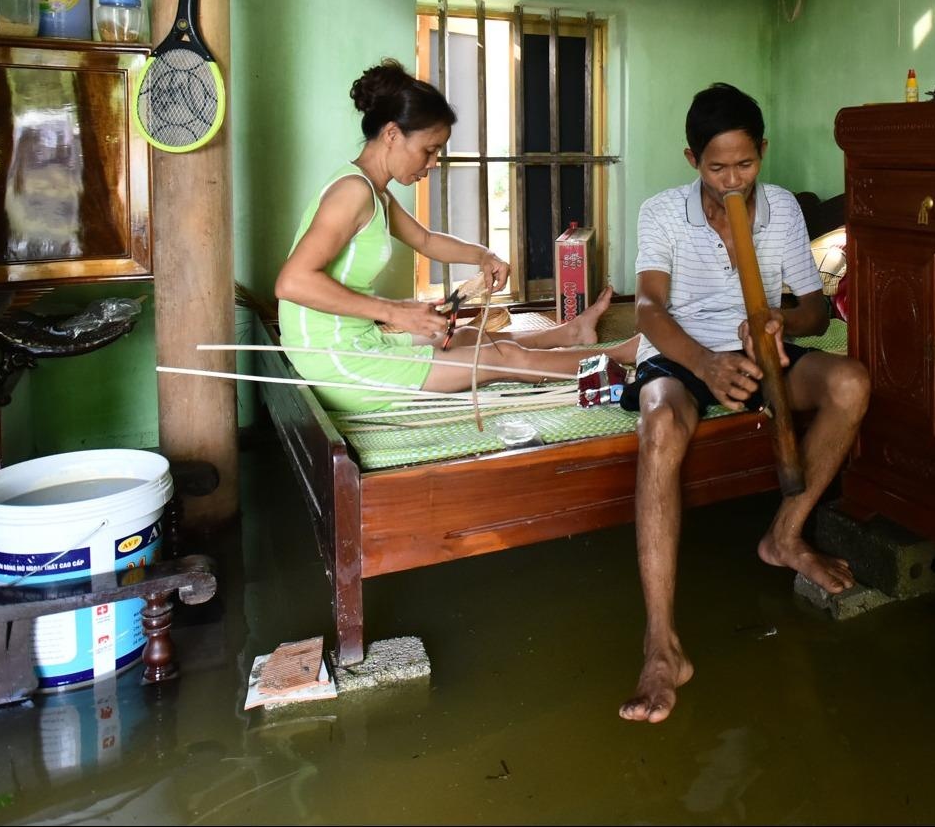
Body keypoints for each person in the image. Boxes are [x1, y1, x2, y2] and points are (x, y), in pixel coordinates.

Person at [616, 83, 871, 723]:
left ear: (763, 150)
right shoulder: (660, 213)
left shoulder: (783, 209)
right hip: (683, 352)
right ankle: (660, 645)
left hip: (761, 348)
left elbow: (814, 310)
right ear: (690, 158)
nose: (734, 180)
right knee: (662, 425)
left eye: (746, 164)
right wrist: (703, 361)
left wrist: (779, 322)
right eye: (716, 167)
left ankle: (783, 536)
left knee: (852, 384)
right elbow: (647, 308)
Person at [274, 58, 635, 413]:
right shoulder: (352, 193)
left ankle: (570, 334)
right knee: (500, 358)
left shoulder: (371, 190)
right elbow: (292, 282)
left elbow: (425, 240)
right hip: (338, 360)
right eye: (428, 150)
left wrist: (483, 256)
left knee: (462, 336)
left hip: (352, 339)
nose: (432, 163)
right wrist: (394, 312)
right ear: (391, 134)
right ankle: (619, 356)